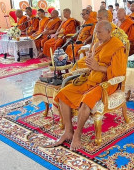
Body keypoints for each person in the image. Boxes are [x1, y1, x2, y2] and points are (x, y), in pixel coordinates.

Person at [52, 21, 128, 150]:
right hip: (91, 78)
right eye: (96, 32)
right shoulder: (97, 45)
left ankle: (77, 135)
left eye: (99, 32)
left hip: (107, 83)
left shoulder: (117, 46)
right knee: (63, 93)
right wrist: (89, 64)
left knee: (86, 99)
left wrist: (98, 67)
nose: (97, 35)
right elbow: (92, 64)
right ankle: (68, 131)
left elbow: (119, 72)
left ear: (109, 32)